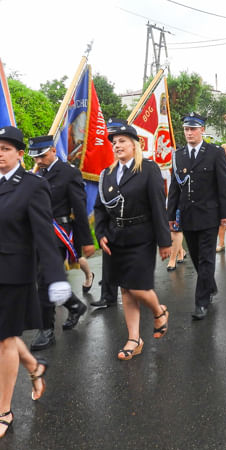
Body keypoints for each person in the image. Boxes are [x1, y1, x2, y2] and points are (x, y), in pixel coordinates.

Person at [0, 126, 70, 441]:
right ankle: (35, 367)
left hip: (15, 274)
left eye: (6, 148)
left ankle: (3, 412)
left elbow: (44, 234)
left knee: (4, 339)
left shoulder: (32, 185)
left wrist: (56, 277)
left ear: (20, 154)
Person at [93, 122, 171, 360]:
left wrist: (164, 240)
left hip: (142, 236)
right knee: (125, 290)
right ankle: (134, 338)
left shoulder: (148, 169)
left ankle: (158, 311)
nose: (117, 145)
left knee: (138, 287)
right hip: (116, 238)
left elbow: (158, 206)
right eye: (114, 142)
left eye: (122, 141)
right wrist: (101, 233)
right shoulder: (106, 174)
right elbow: (100, 208)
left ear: (135, 144)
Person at [28, 135, 93, 351]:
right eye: (36, 157)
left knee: (44, 280)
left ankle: (46, 330)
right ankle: (74, 306)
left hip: (58, 234)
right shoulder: (36, 173)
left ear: (53, 150)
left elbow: (80, 209)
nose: (39, 160)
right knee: (43, 278)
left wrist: (86, 242)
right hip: (36, 233)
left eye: (43, 156)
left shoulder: (68, 173)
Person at [167, 113, 226, 320]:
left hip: (209, 215)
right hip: (187, 215)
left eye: (193, 129)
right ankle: (210, 285)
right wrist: (170, 214)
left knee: (206, 258)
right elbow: (175, 187)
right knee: (196, 257)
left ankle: (201, 302)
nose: (189, 133)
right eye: (186, 129)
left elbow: (224, 186)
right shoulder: (178, 155)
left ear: (202, 130)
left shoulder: (214, 152)